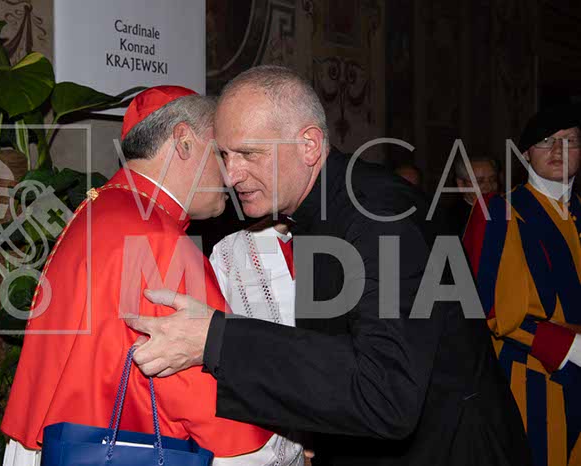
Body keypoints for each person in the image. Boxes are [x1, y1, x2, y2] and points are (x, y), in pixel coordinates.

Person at [125, 66, 530, 466]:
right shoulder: (318, 208)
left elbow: (385, 393)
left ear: (309, 145)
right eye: (224, 155)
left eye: (248, 154)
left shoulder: (380, 215)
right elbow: (339, 354)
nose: (231, 176)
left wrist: (217, 340)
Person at [0, 86, 303, 466]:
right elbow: (214, 406)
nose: (230, 174)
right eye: (221, 153)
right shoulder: (158, 238)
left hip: (64, 444)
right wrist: (290, 441)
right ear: (184, 141)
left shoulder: (97, 210)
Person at [464, 103, 581, 466]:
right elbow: (488, 309)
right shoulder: (499, 212)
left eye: (570, 140)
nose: (559, 150)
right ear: (526, 153)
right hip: (531, 383)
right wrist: (570, 346)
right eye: (546, 141)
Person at [445, 157, 500, 237]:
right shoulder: (450, 221)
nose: (488, 187)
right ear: (461, 184)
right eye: (479, 181)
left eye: (493, 179)